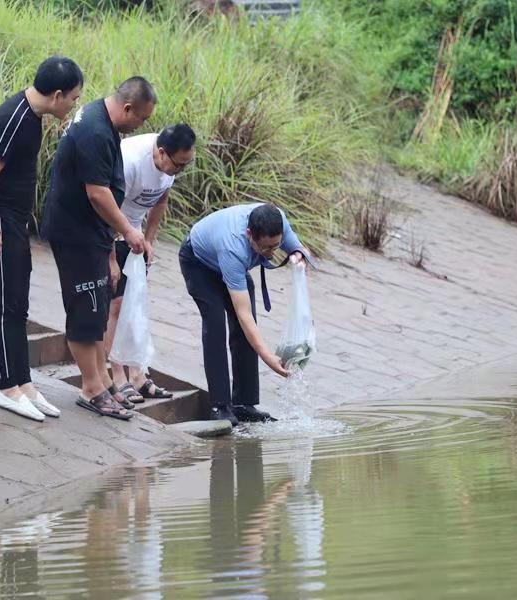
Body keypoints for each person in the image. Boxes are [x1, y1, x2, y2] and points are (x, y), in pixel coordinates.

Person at [0, 56, 83, 422]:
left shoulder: (33, 117)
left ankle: (23, 382)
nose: (74, 105)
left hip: (14, 225)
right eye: (74, 98)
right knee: (3, 306)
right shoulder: (12, 116)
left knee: (18, 305)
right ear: (58, 94)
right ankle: (6, 389)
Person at [41, 77, 157, 420]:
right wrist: (129, 232)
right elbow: (98, 193)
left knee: (97, 305)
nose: (141, 127)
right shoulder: (94, 130)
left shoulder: (102, 123)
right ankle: (91, 387)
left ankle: (102, 381)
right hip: (74, 232)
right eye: (142, 119)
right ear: (127, 108)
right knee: (86, 306)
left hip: (91, 233)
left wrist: (110, 249)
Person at [179, 203, 313, 424]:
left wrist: (297, 255)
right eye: (266, 248)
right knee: (215, 326)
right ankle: (219, 406)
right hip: (199, 264)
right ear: (249, 234)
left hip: (232, 267)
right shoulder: (233, 247)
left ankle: (244, 404)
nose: (271, 253)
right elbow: (244, 315)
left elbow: (297, 249)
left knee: (244, 334)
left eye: (275, 246)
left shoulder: (277, 219)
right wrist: (269, 358)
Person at [104, 124, 196, 405]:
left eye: (185, 165)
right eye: (178, 165)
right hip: (110, 229)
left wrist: (150, 239)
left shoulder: (169, 167)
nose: (179, 171)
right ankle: (116, 374)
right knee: (116, 305)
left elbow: (161, 199)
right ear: (160, 152)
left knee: (135, 302)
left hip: (134, 236)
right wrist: (110, 258)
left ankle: (138, 374)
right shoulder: (131, 160)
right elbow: (103, 206)